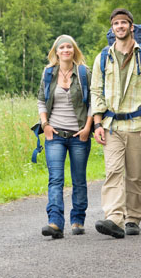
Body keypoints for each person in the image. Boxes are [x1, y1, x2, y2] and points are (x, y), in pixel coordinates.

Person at [91, 8, 141, 238]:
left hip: (137, 124)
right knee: (113, 172)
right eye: (116, 24)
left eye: (124, 23)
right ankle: (114, 218)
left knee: (135, 174)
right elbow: (96, 92)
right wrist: (96, 123)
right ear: (112, 28)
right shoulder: (103, 57)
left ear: (131, 27)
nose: (120, 27)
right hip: (111, 126)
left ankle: (133, 218)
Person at [37, 35, 93, 239]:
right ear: (56, 51)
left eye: (69, 46)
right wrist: (46, 125)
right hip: (55, 135)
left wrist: (88, 128)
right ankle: (55, 223)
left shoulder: (83, 72)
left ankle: (78, 219)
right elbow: (41, 101)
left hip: (80, 134)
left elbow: (93, 103)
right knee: (56, 179)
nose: (66, 50)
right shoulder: (48, 73)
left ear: (74, 50)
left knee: (79, 179)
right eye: (62, 47)